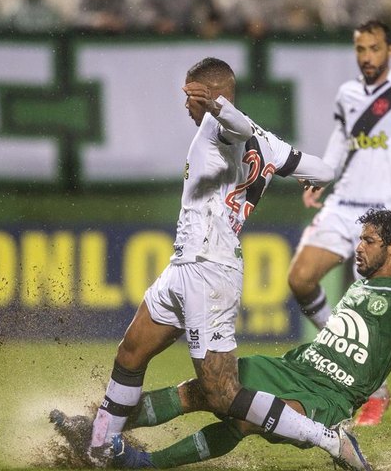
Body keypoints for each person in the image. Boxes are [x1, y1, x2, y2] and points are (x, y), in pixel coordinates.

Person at [73, 56, 375, 470]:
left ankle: (329, 439)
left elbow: (238, 128)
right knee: (130, 352)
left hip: (211, 270)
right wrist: (314, 180)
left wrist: (217, 107)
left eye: (190, 95)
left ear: (212, 94)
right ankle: (99, 449)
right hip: (184, 265)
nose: (186, 104)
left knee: (222, 395)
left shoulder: (220, 126)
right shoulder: (270, 144)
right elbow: (323, 169)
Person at [51, 209, 391, 470]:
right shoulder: (362, 284)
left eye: (368, 241)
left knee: (245, 421)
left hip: (329, 395)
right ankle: (97, 429)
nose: (358, 247)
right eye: (360, 239)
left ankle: (145, 464)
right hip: (293, 366)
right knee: (204, 389)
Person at [287, 19, 391, 426]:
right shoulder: (347, 93)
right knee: (300, 279)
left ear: (390, 50)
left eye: (374, 48)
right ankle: (338, 350)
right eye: (360, 49)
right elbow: (339, 144)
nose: (367, 56)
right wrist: (321, 177)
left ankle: (373, 391)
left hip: (387, 211)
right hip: (344, 204)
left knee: (373, 309)